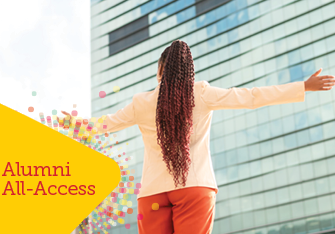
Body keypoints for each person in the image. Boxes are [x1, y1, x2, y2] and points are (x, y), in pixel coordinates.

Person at [62, 40, 334, 234]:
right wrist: (303, 86)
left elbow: (105, 124)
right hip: (195, 188)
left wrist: (73, 124)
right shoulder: (201, 92)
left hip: (153, 193)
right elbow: (252, 97)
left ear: (160, 70)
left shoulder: (141, 102)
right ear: (188, 69)